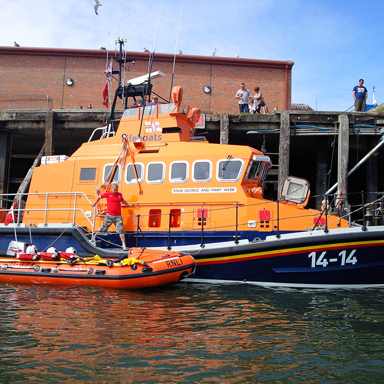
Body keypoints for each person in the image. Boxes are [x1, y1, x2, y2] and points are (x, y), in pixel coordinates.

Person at [91, 183, 132, 250]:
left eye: (117, 190)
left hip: (118, 216)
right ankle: (94, 236)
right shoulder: (108, 194)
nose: (116, 191)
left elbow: (122, 200)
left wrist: (128, 204)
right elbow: (99, 197)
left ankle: (124, 245)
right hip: (109, 216)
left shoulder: (119, 195)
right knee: (102, 228)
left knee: (121, 230)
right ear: (112, 189)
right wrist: (94, 203)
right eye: (114, 190)